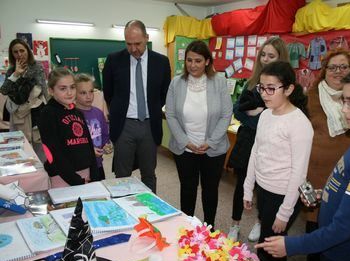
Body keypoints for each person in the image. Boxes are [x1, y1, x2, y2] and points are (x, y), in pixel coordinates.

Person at [257, 64, 350, 261]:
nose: (344, 109)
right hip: (331, 248)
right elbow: (349, 188)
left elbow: (346, 226)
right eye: (343, 101)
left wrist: (292, 245)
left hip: (344, 254)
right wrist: (323, 194)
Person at [243, 61, 313, 261]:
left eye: (271, 88)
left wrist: (285, 212)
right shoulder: (265, 114)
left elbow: (299, 173)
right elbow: (256, 152)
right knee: (268, 245)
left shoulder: (299, 124)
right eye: (261, 87)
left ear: (289, 89)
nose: (264, 94)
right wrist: (248, 188)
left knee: (271, 249)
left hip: (283, 195)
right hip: (264, 190)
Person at [227, 37, 290, 242]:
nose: (265, 59)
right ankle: (235, 224)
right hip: (247, 141)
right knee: (242, 185)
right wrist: (258, 114)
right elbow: (238, 110)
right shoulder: (252, 81)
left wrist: (260, 113)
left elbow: (282, 117)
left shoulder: (286, 85)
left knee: (265, 188)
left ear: (281, 58)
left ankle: (261, 222)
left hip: (271, 144)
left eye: (271, 55)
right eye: (263, 54)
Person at [165, 40, 232, 228]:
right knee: (188, 190)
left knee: (210, 191)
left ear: (208, 62)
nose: (192, 65)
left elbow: (226, 114)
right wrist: (185, 141)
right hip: (185, 149)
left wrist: (210, 142)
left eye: (198, 61)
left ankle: (209, 229)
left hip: (213, 149)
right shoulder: (176, 83)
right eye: (189, 60)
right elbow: (170, 114)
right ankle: (188, 229)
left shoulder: (218, 81)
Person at [103, 20, 171, 193]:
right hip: (124, 125)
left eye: (138, 44)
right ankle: (124, 212)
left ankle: (151, 210)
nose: (133, 49)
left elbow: (164, 93)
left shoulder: (161, 62)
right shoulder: (113, 60)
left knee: (148, 173)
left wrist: (151, 109)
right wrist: (119, 112)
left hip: (150, 124)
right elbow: (108, 92)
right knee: (122, 174)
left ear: (147, 38)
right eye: (129, 44)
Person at [305, 49, 350, 261]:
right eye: (332, 67)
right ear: (324, 70)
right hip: (316, 171)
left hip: (348, 171)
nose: (338, 72)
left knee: (342, 222)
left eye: (343, 67)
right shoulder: (311, 97)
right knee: (315, 224)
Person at [38, 68, 98, 188]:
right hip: (63, 177)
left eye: (72, 87)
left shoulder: (77, 112)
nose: (69, 93)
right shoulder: (48, 113)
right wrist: (75, 180)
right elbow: (53, 152)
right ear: (51, 90)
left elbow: (89, 145)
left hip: (85, 173)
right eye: (63, 88)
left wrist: (94, 172)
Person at [0, 38, 48, 143]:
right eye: (15, 52)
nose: (19, 54)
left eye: (22, 50)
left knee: (37, 141)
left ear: (28, 51)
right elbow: (4, 90)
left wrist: (49, 108)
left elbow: (43, 88)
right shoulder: (11, 70)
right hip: (17, 112)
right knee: (20, 141)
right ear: (12, 54)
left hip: (34, 110)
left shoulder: (36, 67)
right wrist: (16, 74)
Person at [75, 73, 110, 181]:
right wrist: (89, 150)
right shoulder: (74, 115)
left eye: (91, 91)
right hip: (81, 166)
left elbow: (104, 135)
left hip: (98, 164)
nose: (88, 96)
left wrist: (105, 145)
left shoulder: (98, 113)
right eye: (83, 93)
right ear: (74, 93)